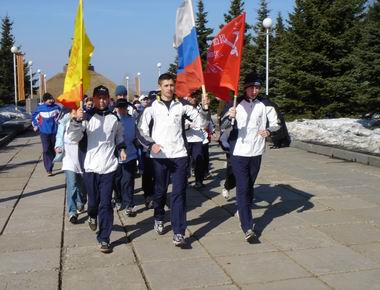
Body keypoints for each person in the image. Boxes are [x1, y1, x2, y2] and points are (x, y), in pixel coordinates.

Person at [137, 73, 210, 247]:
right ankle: (159, 216)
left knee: (179, 194)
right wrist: (150, 145)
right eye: (166, 85)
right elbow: (140, 131)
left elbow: (202, 123)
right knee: (161, 192)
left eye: (171, 85)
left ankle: (179, 232)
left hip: (179, 156)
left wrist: (205, 109)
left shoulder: (182, 106)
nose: (169, 88)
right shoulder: (152, 107)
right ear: (160, 87)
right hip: (160, 157)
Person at [221, 72, 280, 242]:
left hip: (256, 152)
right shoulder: (235, 104)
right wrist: (229, 117)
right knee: (242, 186)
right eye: (251, 87)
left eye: (257, 87)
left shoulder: (265, 104)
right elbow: (223, 127)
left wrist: (268, 131)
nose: (254, 90)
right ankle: (247, 226)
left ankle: (242, 207)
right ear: (245, 88)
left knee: (249, 186)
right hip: (239, 153)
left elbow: (276, 124)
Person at [66, 85, 126, 253]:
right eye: (98, 97)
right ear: (93, 98)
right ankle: (92, 215)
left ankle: (104, 238)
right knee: (93, 203)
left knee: (106, 204)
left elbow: (119, 135)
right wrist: (76, 120)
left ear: (108, 98)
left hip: (108, 167)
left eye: (104, 97)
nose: (102, 101)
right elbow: (73, 137)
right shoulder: (86, 117)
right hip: (90, 167)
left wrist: (121, 149)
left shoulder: (114, 118)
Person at [55, 111, 86, 224]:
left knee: (82, 186)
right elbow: (59, 134)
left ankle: (80, 202)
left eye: (76, 110)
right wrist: (58, 146)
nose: (74, 113)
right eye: (73, 111)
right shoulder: (65, 121)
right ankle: (72, 212)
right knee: (71, 185)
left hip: (82, 157)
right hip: (68, 158)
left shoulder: (85, 120)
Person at [113, 98, 138, 217]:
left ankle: (129, 204)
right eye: (120, 107)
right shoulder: (113, 119)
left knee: (128, 180)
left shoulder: (131, 119)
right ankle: (118, 198)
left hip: (130, 154)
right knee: (117, 180)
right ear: (116, 108)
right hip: (115, 156)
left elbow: (136, 135)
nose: (122, 110)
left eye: (124, 107)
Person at [32, 92, 62, 176]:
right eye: (49, 99)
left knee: (53, 149)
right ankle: (49, 169)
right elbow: (34, 117)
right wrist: (36, 125)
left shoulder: (56, 107)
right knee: (46, 149)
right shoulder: (40, 108)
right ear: (45, 100)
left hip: (54, 132)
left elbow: (62, 117)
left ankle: (51, 164)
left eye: (51, 99)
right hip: (44, 132)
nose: (51, 100)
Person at [184, 91, 209, 189]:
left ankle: (199, 181)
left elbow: (205, 123)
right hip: (185, 138)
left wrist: (205, 109)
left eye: (194, 97)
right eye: (191, 97)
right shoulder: (183, 108)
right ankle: (184, 180)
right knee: (185, 162)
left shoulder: (201, 108)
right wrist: (188, 126)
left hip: (198, 139)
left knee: (199, 160)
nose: (193, 99)